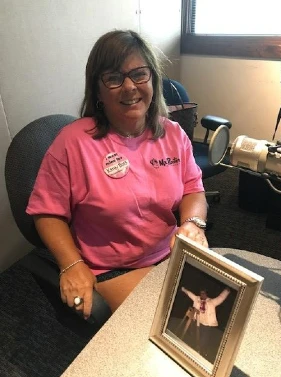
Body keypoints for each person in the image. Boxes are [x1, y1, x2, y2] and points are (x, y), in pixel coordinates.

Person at [26, 29, 208, 320]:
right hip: (113, 268)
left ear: (153, 79)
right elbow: (46, 213)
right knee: (179, 323)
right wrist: (71, 264)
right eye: (113, 78)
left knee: (220, 310)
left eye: (139, 74)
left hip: (170, 254)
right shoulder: (73, 142)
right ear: (97, 90)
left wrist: (193, 223)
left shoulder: (172, 133)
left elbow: (193, 188)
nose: (129, 87)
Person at [181, 286, 230, 362]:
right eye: (201, 293)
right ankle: (192, 352)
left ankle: (201, 353)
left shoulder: (212, 302)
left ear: (206, 294)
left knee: (203, 340)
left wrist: (226, 291)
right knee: (194, 336)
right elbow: (189, 294)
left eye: (203, 293)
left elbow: (221, 298)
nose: (202, 295)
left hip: (207, 324)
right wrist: (183, 289)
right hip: (197, 321)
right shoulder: (197, 299)